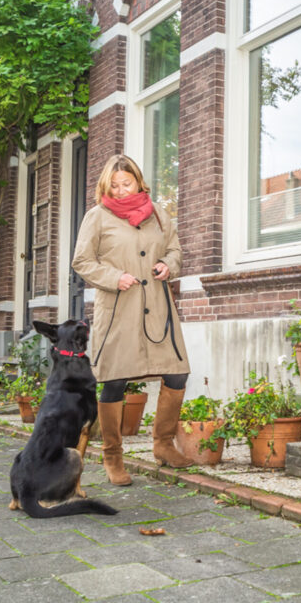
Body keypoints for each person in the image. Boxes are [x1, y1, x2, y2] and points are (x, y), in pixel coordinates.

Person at [72, 154, 193, 484]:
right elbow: (82, 261)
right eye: (114, 185)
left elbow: (175, 250)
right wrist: (113, 277)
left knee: (177, 373)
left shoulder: (159, 215)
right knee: (114, 380)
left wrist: (169, 265)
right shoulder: (97, 217)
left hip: (158, 306)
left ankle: (163, 445)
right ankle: (113, 456)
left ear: (139, 182)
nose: (122, 190)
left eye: (127, 183)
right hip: (119, 310)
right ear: (105, 187)